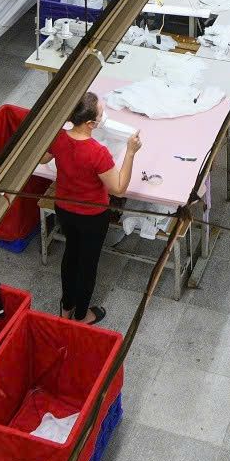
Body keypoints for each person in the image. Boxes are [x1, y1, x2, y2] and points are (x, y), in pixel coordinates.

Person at [48, 93, 140, 324]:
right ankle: (82, 316)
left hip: (64, 208)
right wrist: (130, 152)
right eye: (101, 113)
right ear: (91, 124)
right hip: (91, 216)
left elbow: (41, 159)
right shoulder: (97, 152)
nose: (103, 115)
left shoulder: (58, 138)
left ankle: (66, 307)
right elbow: (119, 188)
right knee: (87, 263)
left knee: (71, 254)